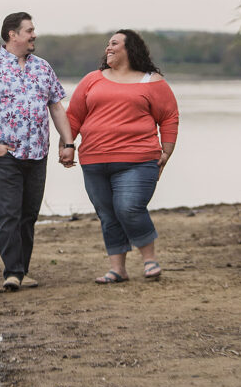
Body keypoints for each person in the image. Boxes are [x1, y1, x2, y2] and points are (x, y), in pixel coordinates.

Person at [0, 12, 75, 291]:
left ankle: (22, 271)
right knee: (8, 214)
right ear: (12, 34)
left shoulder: (43, 68)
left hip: (38, 154)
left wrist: (69, 142)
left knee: (29, 215)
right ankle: (12, 272)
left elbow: (56, 107)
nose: (34, 35)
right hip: (7, 155)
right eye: (29, 30)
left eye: (33, 30)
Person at [64, 29, 179, 283]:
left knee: (129, 208)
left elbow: (169, 116)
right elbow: (73, 115)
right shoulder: (92, 79)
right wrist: (67, 145)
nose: (108, 48)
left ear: (130, 49)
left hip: (138, 160)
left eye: (114, 43)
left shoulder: (151, 81)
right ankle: (118, 269)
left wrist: (167, 150)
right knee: (107, 213)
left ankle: (150, 260)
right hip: (94, 160)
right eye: (107, 44)